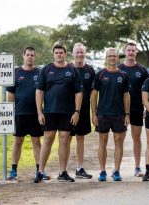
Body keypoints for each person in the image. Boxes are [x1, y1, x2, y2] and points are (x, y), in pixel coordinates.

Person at [34, 42, 83, 183]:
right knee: (48, 139)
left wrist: (77, 112)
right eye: (56, 52)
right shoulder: (46, 70)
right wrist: (39, 112)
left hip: (67, 112)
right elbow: (39, 91)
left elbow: (79, 92)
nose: (59, 55)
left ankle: (62, 172)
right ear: (53, 54)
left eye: (61, 52)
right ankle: (40, 172)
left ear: (65, 54)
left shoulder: (72, 70)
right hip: (49, 111)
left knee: (64, 139)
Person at [6, 47, 50, 180]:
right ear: (23, 56)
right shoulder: (16, 72)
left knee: (36, 141)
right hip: (20, 113)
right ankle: (13, 170)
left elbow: (43, 92)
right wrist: (10, 111)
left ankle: (39, 170)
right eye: (28, 55)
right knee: (18, 140)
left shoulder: (40, 72)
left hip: (35, 113)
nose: (30, 57)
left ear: (35, 57)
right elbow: (10, 94)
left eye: (32, 55)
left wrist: (41, 112)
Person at [91, 48, 130, 182]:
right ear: (106, 58)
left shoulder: (123, 75)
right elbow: (94, 94)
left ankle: (117, 171)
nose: (112, 58)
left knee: (119, 141)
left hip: (119, 114)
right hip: (103, 113)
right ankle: (102, 171)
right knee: (103, 141)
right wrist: (94, 114)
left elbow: (126, 95)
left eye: (114, 56)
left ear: (117, 58)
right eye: (110, 56)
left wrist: (127, 114)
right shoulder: (100, 74)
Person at [118, 42, 149, 177]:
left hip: (137, 108)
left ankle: (137, 167)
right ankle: (117, 168)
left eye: (133, 50)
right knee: (119, 138)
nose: (131, 52)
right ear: (125, 52)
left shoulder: (142, 70)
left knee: (136, 137)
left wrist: (146, 108)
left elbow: (147, 91)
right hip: (120, 110)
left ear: (136, 52)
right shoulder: (118, 68)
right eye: (129, 50)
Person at [71, 43, 95, 179]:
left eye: (82, 52)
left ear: (85, 53)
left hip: (84, 110)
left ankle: (79, 168)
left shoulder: (90, 70)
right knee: (65, 139)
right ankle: (63, 170)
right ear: (73, 54)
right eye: (77, 52)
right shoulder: (68, 68)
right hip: (68, 110)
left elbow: (93, 94)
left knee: (80, 138)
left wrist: (93, 113)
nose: (79, 55)